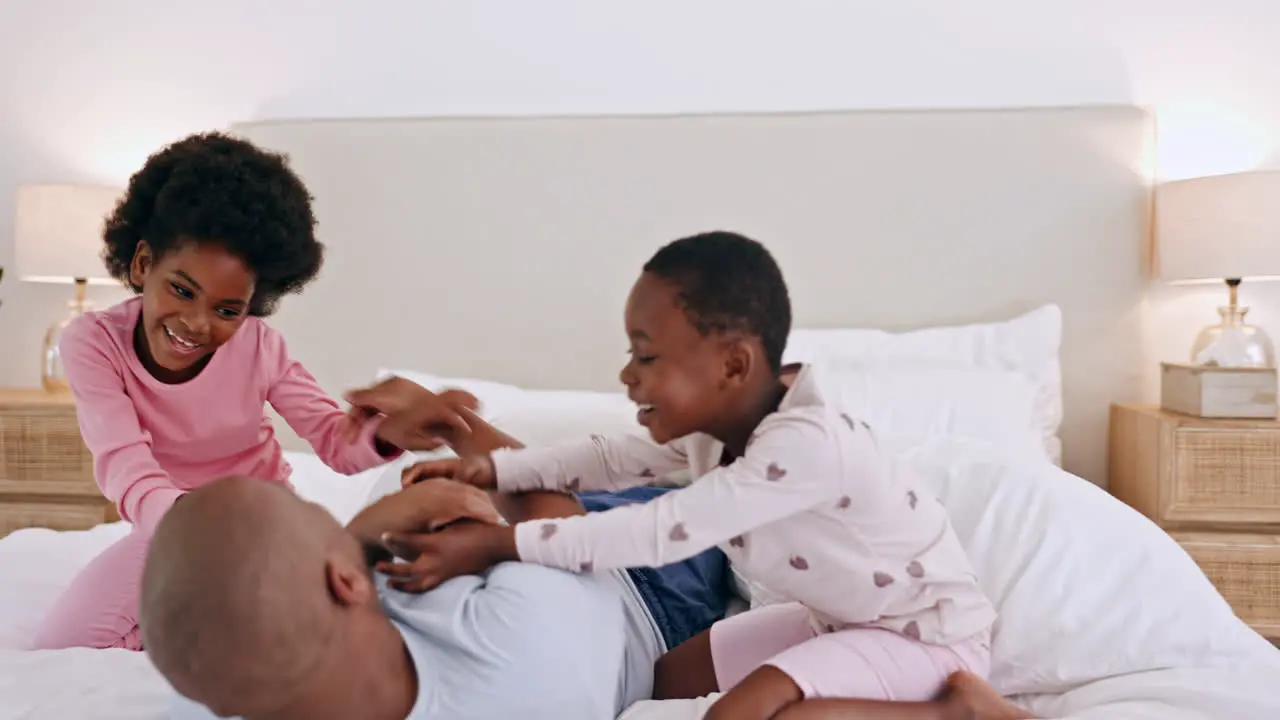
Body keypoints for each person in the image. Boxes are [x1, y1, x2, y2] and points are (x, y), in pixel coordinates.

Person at [374, 231, 1002, 719]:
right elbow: (609, 459)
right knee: (667, 682)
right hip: (838, 620)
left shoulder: (804, 446)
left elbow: (662, 530)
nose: (627, 376)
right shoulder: (723, 430)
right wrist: (492, 466)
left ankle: (958, 711)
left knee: (748, 711)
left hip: (926, 635)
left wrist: (494, 541)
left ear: (733, 366)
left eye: (646, 356)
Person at [30, 132, 470, 651]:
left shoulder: (260, 347)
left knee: (293, 636)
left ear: (252, 304)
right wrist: (193, 535)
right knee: (66, 645)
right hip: (174, 528)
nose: (196, 323)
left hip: (262, 521)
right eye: (181, 290)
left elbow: (333, 438)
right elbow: (126, 465)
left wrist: (385, 432)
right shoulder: (94, 342)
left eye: (226, 310)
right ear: (143, 263)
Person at [146, 416, 733, 720]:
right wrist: (455, 429)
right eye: (310, 509)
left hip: (506, 579)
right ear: (344, 580)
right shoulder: (516, 658)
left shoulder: (215, 681)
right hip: (639, 586)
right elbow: (562, 521)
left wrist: (364, 535)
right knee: (710, 489)